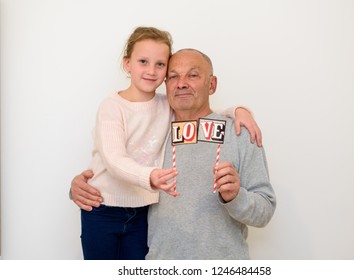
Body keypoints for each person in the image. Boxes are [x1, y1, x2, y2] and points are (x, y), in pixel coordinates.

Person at [76, 26, 262, 260]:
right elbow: (115, 159)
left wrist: (238, 110)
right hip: (113, 216)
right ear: (128, 64)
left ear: (211, 84)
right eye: (174, 76)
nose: (181, 83)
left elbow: (201, 111)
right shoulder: (131, 111)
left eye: (192, 75)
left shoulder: (175, 109)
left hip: (153, 220)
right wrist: (78, 186)